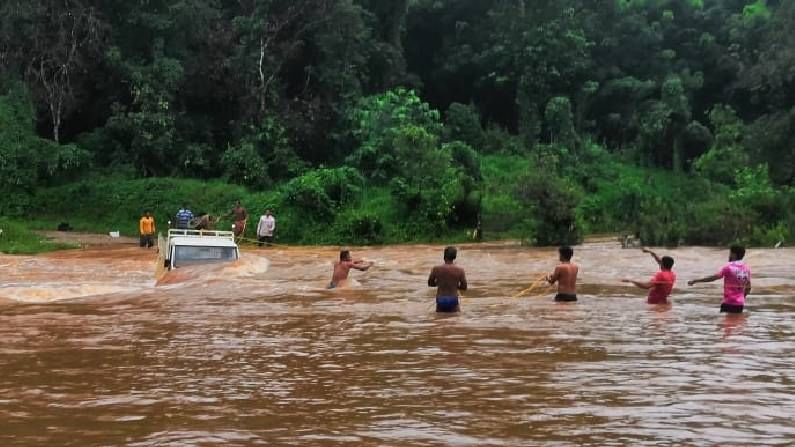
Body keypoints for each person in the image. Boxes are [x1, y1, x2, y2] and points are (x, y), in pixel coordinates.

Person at [688, 245, 752, 313]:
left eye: (730, 253)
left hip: (728, 302)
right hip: (740, 304)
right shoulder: (746, 269)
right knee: (736, 322)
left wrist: (696, 281)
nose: (729, 255)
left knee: (725, 323)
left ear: (734, 254)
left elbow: (714, 277)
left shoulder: (729, 267)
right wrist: (742, 297)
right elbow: (748, 288)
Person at [428, 246, 468, 313]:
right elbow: (464, 287)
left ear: (444, 256)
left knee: (439, 320)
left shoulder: (436, 269)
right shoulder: (460, 270)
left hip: (440, 299)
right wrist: (455, 285)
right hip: (453, 299)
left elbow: (430, 283)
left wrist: (439, 283)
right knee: (455, 319)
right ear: (454, 257)